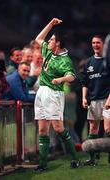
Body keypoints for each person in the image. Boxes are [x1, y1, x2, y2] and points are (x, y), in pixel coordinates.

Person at [34, 18, 80, 172]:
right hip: (42, 91)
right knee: (42, 129)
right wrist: (51, 24)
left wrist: (61, 79)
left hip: (54, 94)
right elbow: (38, 38)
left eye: (52, 39)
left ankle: (74, 158)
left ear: (58, 43)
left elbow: (72, 76)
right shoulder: (48, 51)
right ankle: (42, 164)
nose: (49, 41)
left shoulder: (65, 60)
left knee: (59, 128)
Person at [81, 35, 110, 165]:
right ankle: (93, 158)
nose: (95, 45)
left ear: (103, 44)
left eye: (98, 42)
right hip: (93, 100)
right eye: (93, 42)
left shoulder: (107, 61)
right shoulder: (88, 62)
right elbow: (85, 83)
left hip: (107, 99)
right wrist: (83, 98)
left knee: (108, 129)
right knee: (93, 129)